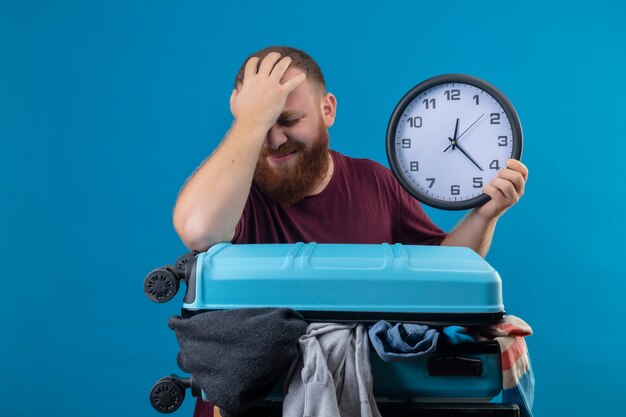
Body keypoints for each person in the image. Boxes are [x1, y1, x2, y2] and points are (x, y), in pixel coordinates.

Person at [172, 46, 528, 417]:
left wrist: (486, 215)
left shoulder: (375, 181)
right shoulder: (234, 192)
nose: (274, 139)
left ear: (328, 110)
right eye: (262, 122)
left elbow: (445, 267)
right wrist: (249, 121)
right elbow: (198, 230)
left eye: (289, 119)